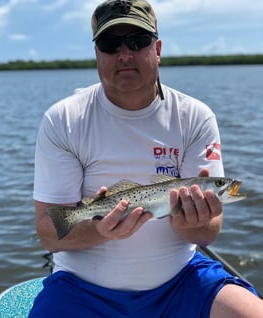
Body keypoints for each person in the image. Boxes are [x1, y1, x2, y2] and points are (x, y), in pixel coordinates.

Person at [29, 0, 263, 317]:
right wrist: (100, 229)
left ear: (158, 49)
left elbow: (207, 232)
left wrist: (196, 224)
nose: (125, 54)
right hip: (81, 288)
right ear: (97, 53)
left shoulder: (195, 116)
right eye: (111, 44)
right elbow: (48, 233)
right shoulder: (64, 119)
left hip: (181, 280)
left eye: (137, 41)